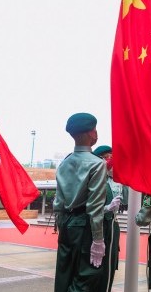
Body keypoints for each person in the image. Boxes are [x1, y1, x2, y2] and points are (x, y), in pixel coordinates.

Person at [54, 113, 107, 292]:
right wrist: (98, 239)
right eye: (94, 130)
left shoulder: (64, 162)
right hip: (85, 225)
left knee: (64, 272)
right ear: (89, 133)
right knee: (87, 275)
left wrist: (62, 224)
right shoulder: (97, 164)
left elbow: (58, 202)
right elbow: (94, 207)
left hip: (66, 223)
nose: (96, 134)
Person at [92, 145, 124, 291]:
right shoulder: (96, 181)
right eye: (109, 157)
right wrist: (107, 208)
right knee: (98, 270)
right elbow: (90, 209)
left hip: (112, 228)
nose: (112, 162)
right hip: (101, 228)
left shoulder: (113, 181)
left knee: (110, 267)